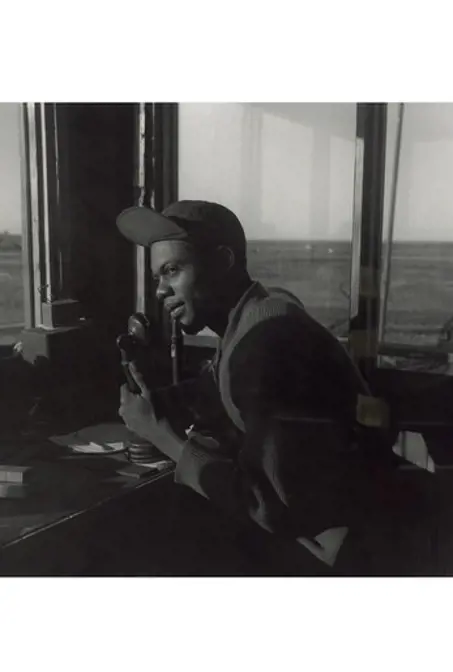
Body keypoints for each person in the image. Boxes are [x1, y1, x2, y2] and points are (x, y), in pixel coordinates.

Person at [115, 200, 418, 575]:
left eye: (173, 270)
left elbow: (271, 507)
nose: (160, 290)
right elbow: (218, 384)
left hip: (360, 547)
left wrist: (162, 437)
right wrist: (161, 403)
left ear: (224, 261)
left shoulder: (264, 344)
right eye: (158, 276)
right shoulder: (262, 308)